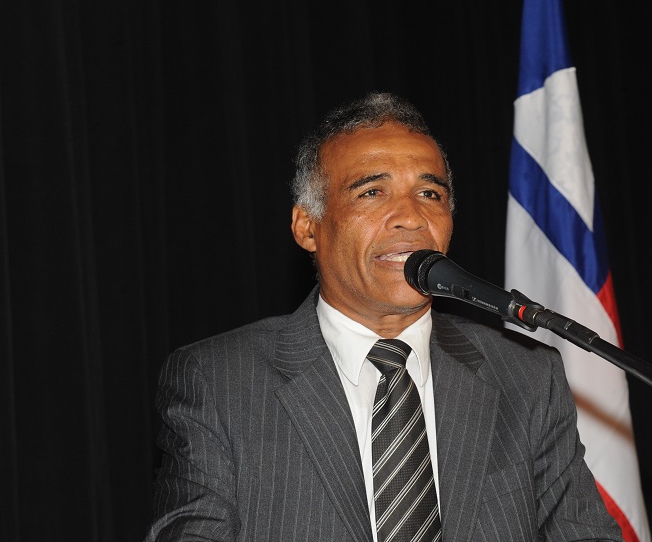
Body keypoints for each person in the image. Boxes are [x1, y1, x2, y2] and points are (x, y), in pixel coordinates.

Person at [146, 93, 623, 541]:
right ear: (307, 227)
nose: (411, 217)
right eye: (372, 192)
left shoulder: (527, 376)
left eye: (430, 194)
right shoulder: (218, 381)